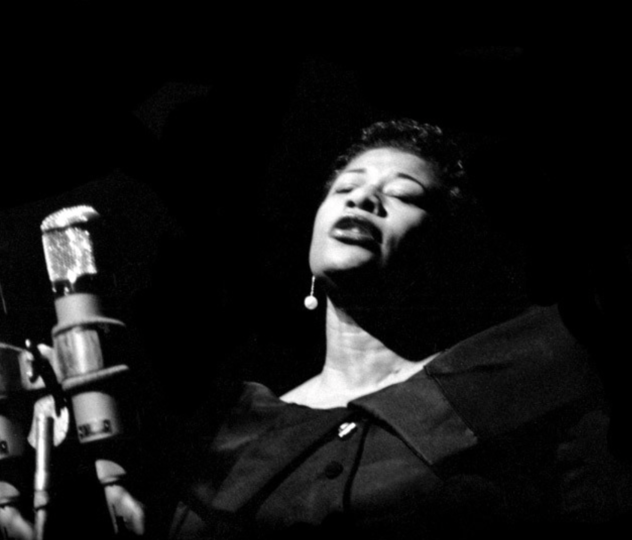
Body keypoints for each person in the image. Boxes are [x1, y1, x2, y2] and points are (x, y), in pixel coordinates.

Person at [158, 118, 632, 539]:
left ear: (445, 251)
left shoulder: (507, 389)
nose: (363, 198)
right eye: (344, 190)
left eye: (403, 194)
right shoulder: (237, 431)